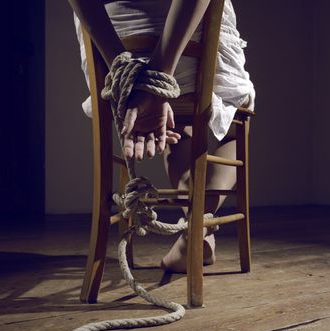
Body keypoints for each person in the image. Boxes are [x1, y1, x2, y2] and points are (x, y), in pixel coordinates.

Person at [68, 0, 255, 272]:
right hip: (191, 50)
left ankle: (197, 230)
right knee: (239, 124)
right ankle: (197, 229)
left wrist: (124, 70)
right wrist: (158, 75)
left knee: (175, 128)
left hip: (113, 57)